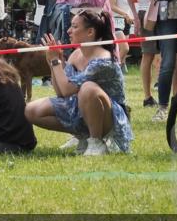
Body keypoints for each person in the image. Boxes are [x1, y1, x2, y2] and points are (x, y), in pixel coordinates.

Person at [25, 10, 133, 156]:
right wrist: (53, 62)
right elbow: (60, 93)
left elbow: (67, 90)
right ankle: (83, 136)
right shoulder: (76, 54)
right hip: (79, 108)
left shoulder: (102, 60)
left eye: (74, 27)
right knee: (31, 110)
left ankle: (96, 142)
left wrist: (56, 63)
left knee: (88, 89)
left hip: (110, 118)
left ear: (90, 32)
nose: (69, 31)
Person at [125, 0, 163, 107]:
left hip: (165, 10)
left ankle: (168, 92)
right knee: (148, 54)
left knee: (168, 54)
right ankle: (147, 97)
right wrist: (135, 17)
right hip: (146, 12)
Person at [107, 0, 133, 64]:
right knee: (124, 48)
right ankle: (114, 68)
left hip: (126, 22)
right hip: (116, 20)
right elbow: (112, 6)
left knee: (123, 54)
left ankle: (119, 74)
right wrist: (125, 14)